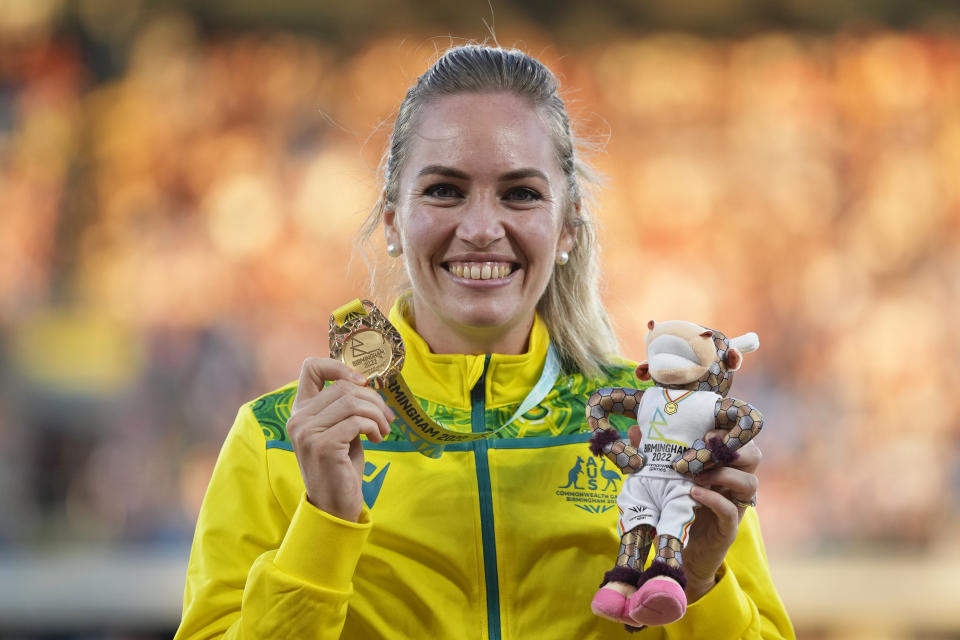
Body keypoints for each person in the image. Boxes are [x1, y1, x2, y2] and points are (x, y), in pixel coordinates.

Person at [174, 45, 794, 639]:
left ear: (567, 226)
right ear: (392, 218)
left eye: (520, 194)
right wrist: (324, 526)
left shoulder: (657, 427)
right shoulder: (278, 440)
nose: (479, 229)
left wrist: (702, 578)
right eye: (444, 190)